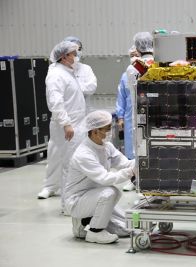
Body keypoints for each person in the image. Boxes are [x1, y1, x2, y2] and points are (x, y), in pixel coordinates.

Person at [64, 110, 135, 244]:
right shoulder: (84, 154)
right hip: (77, 201)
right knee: (111, 192)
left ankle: (83, 221)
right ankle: (95, 232)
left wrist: (144, 160)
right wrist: (131, 172)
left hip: (94, 196)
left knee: (127, 228)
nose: (110, 132)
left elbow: (125, 164)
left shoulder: (106, 147)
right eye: (108, 129)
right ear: (95, 131)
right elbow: (105, 178)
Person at [37, 41, 87, 205]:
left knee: (74, 163)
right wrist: (66, 124)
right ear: (64, 56)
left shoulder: (67, 72)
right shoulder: (56, 75)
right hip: (68, 127)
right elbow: (56, 102)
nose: (76, 56)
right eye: (73, 53)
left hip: (76, 125)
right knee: (69, 165)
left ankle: (73, 200)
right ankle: (68, 204)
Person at [122, 32, 155, 192]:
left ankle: (139, 181)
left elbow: (132, 90)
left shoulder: (132, 68)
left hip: (140, 115)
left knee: (140, 149)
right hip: (158, 116)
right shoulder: (160, 63)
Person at [63, 36, 97, 113]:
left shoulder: (86, 68)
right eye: (75, 49)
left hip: (84, 113)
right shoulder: (59, 70)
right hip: (65, 114)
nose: (77, 52)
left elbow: (92, 87)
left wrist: (72, 88)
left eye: (80, 49)